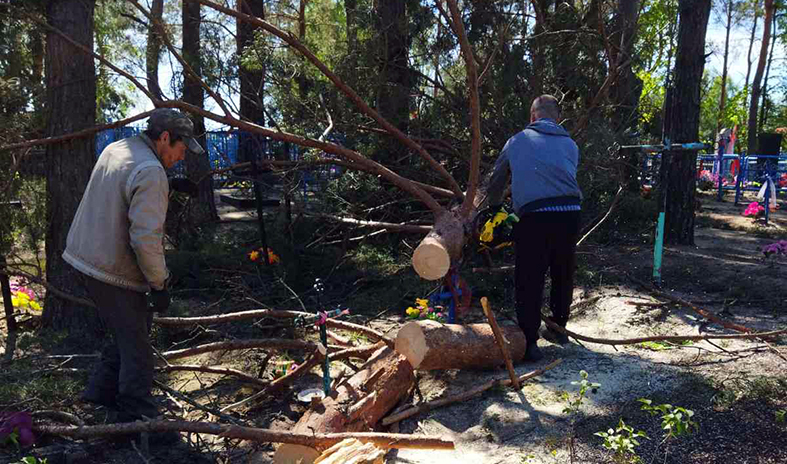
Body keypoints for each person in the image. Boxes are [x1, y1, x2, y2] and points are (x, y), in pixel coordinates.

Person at [63, 108, 203, 431]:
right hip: (110, 268)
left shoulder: (119, 148)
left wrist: (165, 185)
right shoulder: (151, 171)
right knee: (138, 346)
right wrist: (160, 284)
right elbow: (146, 241)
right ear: (166, 138)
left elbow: (120, 191)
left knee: (127, 331)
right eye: (182, 149)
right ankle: (138, 419)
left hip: (84, 259)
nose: (182, 157)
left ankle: (99, 394)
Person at [486, 95, 582, 362]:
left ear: (533, 117)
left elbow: (496, 180)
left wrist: (492, 209)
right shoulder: (571, 145)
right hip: (570, 213)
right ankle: (558, 327)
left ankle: (529, 342)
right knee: (563, 271)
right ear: (557, 118)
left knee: (530, 278)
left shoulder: (516, 141)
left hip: (535, 217)